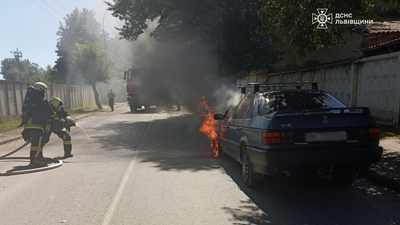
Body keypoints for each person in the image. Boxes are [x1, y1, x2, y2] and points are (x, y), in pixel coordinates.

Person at [21, 82, 56, 167]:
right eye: (44, 91)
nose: (44, 93)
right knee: (37, 142)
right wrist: (55, 115)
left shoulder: (31, 101)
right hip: (37, 125)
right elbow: (50, 113)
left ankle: (39, 157)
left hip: (28, 125)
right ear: (41, 91)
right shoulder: (43, 101)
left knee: (37, 141)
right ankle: (34, 159)